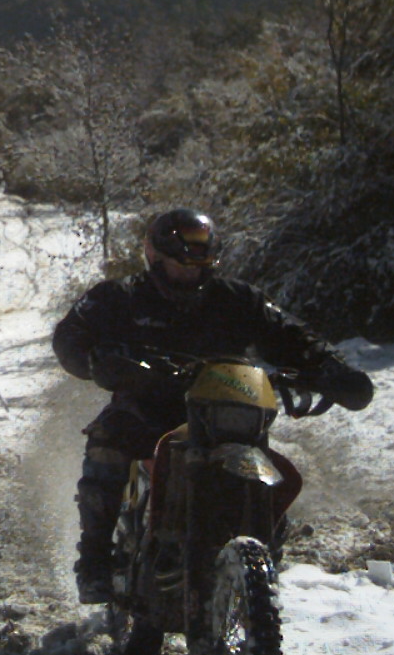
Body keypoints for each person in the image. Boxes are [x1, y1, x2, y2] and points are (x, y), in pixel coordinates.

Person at [52, 207, 374, 604]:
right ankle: (96, 559)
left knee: (269, 468)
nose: (191, 275)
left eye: (199, 266)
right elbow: (70, 334)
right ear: (154, 258)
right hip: (146, 409)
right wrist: (96, 361)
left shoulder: (238, 299)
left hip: (225, 412)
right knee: (107, 445)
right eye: (180, 266)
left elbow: (291, 334)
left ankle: (261, 553)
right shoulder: (119, 297)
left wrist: (331, 369)